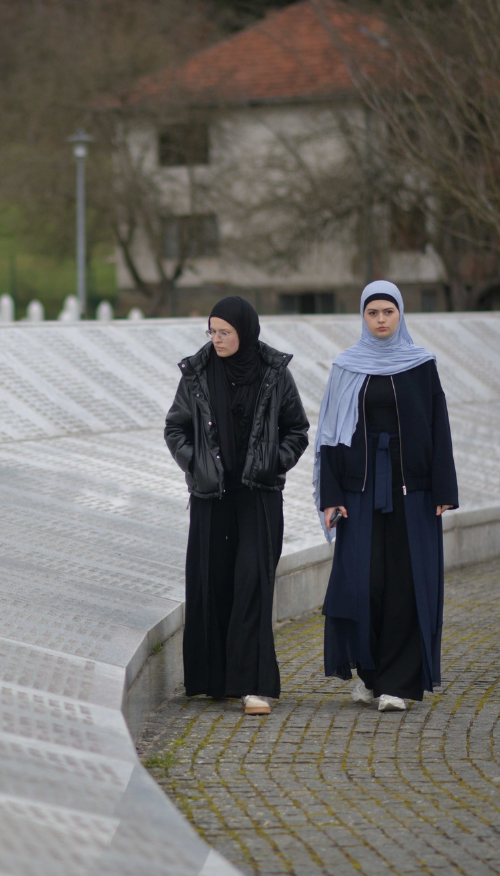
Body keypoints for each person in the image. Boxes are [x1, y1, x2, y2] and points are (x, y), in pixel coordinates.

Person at [314, 280, 458, 712]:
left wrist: (443, 488)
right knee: (364, 583)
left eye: (387, 312)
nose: (380, 320)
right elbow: (330, 435)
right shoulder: (347, 366)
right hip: (359, 494)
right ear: (362, 316)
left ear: (400, 315)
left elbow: (438, 427)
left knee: (406, 584)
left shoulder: (421, 364)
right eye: (373, 313)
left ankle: (399, 683)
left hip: (412, 494)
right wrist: (330, 496)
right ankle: (369, 675)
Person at [165, 296, 309, 716]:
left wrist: (273, 463)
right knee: (213, 583)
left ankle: (252, 686)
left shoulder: (274, 372)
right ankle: (215, 681)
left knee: (252, 584)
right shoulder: (196, 372)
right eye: (212, 331)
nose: (217, 339)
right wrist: (195, 465)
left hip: (259, 497)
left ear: (244, 330)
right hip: (212, 497)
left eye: (224, 332)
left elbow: (296, 429)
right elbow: (175, 427)